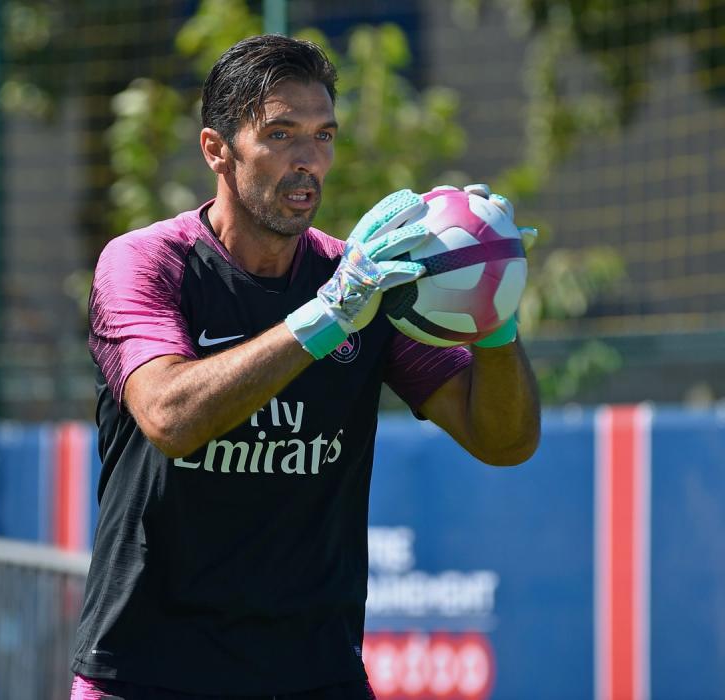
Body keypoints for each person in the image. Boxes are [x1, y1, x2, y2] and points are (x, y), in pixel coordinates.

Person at [70, 34, 540, 700]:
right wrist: (326, 318)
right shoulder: (146, 263)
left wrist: (492, 315)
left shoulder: (363, 281)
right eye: (281, 135)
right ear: (217, 149)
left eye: (323, 137)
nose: (308, 161)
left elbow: (503, 441)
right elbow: (170, 418)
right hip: (147, 671)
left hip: (314, 674)